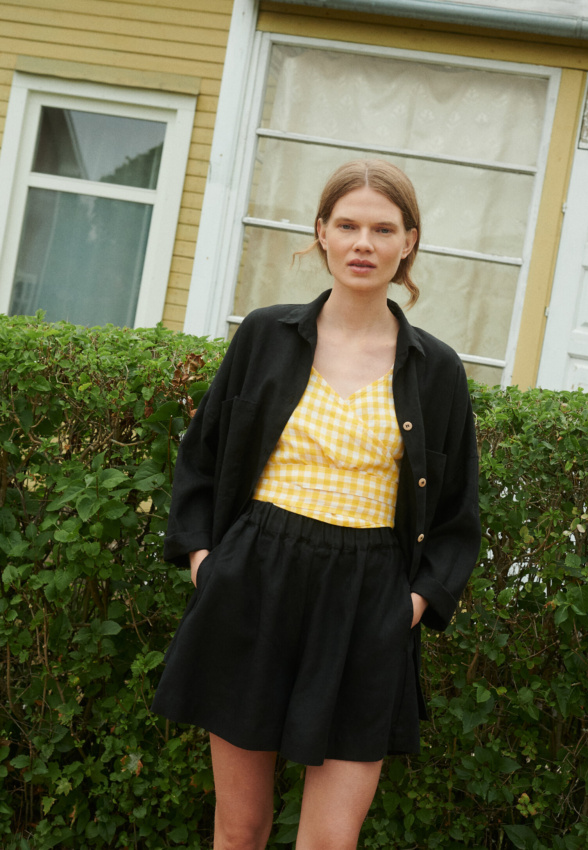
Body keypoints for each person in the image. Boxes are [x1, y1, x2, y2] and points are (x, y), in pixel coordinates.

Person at [152, 159, 481, 850]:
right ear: (322, 235)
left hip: (368, 601)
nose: (364, 243)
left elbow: (455, 517)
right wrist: (209, 566)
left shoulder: (438, 371)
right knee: (239, 830)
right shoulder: (266, 336)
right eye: (349, 225)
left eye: (382, 228)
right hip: (253, 582)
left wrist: (411, 608)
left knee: (329, 842)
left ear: (408, 242)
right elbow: (202, 459)